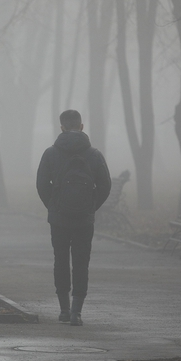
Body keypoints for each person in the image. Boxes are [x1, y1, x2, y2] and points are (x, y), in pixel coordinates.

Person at [36, 109, 111, 326]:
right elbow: (105, 185)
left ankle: (63, 309)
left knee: (60, 260)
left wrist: (53, 206)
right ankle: (76, 312)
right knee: (81, 262)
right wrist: (91, 207)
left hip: (58, 218)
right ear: (81, 126)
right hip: (84, 220)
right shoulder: (94, 154)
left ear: (61, 128)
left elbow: (41, 185)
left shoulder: (50, 153)